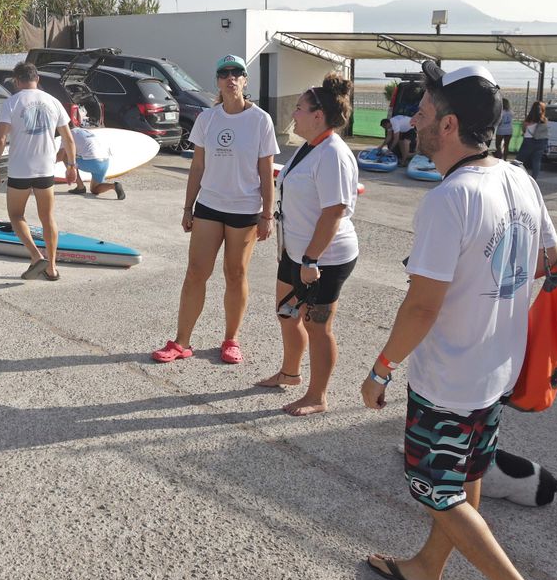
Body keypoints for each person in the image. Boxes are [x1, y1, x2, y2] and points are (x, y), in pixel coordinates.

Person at [359, 61, 557, 580]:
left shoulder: (448, 199)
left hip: (448, 377)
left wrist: (379, 370)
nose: (414, 121)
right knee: (467, 473)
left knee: (435, 489)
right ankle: (426, 569)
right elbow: (548, 257)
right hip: (495, 369)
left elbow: (423, 305)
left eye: (423, 113)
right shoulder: (518, 178)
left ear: (449, 125)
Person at [152, 54, 278, 364]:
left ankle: (231, 340)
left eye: (237, 73)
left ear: (245, 81)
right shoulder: (208, 119)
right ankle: (181, 342)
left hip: (245, 210)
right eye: (224, 73)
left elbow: (266, 171)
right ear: (218, 81)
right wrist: (187, 207)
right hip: (209, 205)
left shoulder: (260, 120)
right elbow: (197, 167)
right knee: (196, 273)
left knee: (235, 274)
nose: (231, 78)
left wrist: (267, 214)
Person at [257, 73, 359, 417]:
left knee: (317, 326)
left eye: (299, 108)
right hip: (296, 252)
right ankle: (289, 373)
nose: (293, 114)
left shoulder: (333, 153)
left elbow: (333, 212)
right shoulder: (309, 146)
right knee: (287, 313)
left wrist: (312, 259)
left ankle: (318, 396)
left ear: (318, 115)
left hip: (324, 258)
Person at [0, 62, 78, 280]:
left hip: (20, 169)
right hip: (45, 169)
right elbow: (68, 138)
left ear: (17, 81)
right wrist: (71, 166)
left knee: (16, 215)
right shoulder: (54, 102)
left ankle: (36, 256)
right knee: (47, 217)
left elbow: (1, 139)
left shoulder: (12, 102)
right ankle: (52, 268)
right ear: (37, 78)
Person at [68, 123, 123, 199]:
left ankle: (80, 187)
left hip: (93, 162)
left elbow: (61, 155)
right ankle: (114, 186)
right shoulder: (86, 131)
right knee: (94, 189)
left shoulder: (69, 133)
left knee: (67, 157)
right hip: (105, 162)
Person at [517, 100, 549, 178]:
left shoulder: (528, 120)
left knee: (519, 160)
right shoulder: (544, 120)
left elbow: (524, 130)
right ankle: (534, 179)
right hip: (541, 142)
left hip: (529, 141)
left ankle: (516, 176)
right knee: (536, 161)